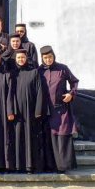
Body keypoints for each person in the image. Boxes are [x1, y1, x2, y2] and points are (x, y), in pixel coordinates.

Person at [38, 45, 79, 173]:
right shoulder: (39, 71)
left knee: (62, 137)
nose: (48, 60)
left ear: (53, 56)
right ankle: (50, 165)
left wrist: (71, 94)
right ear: (42, 58)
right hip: (46, 110)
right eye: (45, 58)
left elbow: (74, 82)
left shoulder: (62, 68)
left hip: (61, 110)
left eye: (50, 57)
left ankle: (63, 166)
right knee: (48, 138)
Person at [12, 49, 46, 173]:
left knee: (30, 138)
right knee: (17, 137)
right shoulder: (12, 73)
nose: (20, 60)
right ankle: (18, 165)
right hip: (17, 111)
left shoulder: (34, 72)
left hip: (31, 111)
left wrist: (38, 110)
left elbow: (39, 92)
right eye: (18, 57)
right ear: (15, 59)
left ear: (26, 58)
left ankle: (30, 165)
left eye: (22, 57)